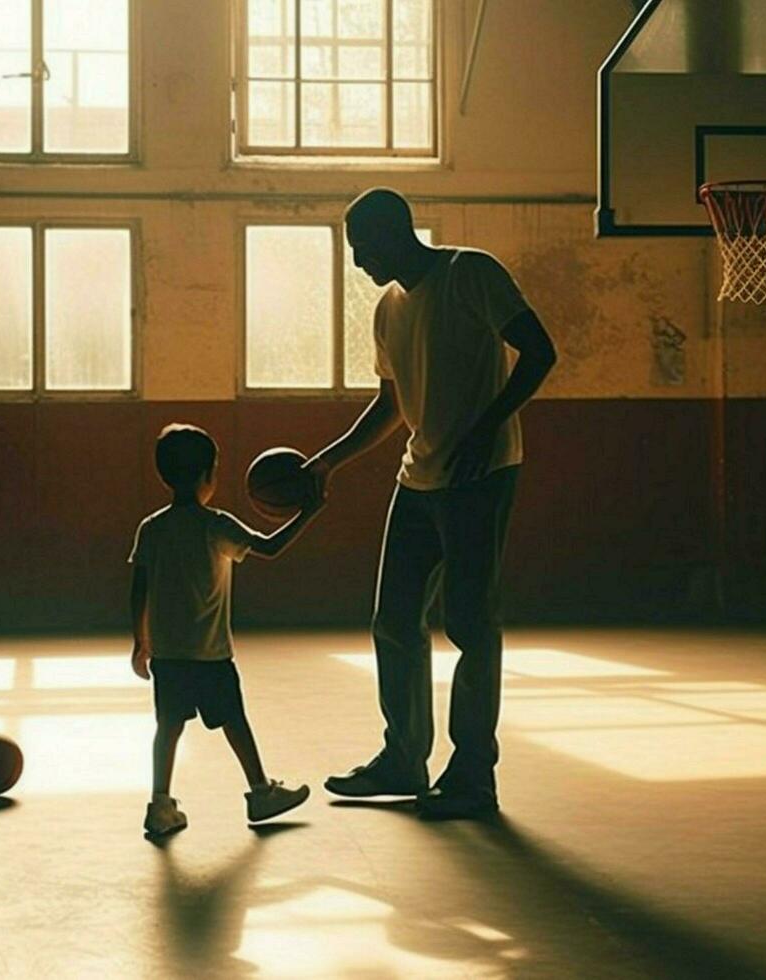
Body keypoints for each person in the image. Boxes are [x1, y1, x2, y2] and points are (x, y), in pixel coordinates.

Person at [305, 187, 558, 820]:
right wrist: (328, 459)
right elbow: (392, 404)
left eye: (363, 247)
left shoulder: (468, 271)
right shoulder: (389, 309)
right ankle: (404, 759)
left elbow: (540, 351)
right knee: (394, 621)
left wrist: (489, 425)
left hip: (479, 476)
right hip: (418, 478)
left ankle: (473, 776)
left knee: (471, 625)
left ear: (395, 232)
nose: (359, 262)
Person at [130, 423, 321, 838]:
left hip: (168, 654)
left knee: (167, 728)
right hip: (211, 654)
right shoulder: (217, 525)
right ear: (207, 476)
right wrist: (309, 512)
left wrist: (139, 642)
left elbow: (138, 589)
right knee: (234, 720)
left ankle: (159, 804)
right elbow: (269, 547)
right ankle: (260, 791)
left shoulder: (151, 528)